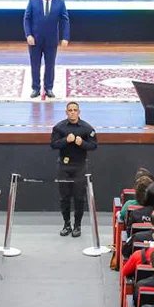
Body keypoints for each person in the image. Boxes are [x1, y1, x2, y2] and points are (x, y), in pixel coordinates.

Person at [50, 101, 96, 236]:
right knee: (64, 198)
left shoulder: (87, 128)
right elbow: (53, 145)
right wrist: (66, 140)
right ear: (66, 112)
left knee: (79, 198)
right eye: (70, 110)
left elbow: (94, 146)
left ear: (79, 112)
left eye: (75, 110)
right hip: (64, 166)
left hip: (80, 166)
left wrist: (82, 143)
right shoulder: (59, 127)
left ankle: (77, 226)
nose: (72, 112)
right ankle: (66, 224)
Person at [23, 0, 70, 99]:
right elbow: (26, 19)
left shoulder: (60, 2)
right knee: (35, 65)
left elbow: (65, 21)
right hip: (35, 40)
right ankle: (36, 88)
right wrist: (28, 35)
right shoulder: (33, 0)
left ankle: (48, 88)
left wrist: (65, 37)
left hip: (51, 40)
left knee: (50, 65)